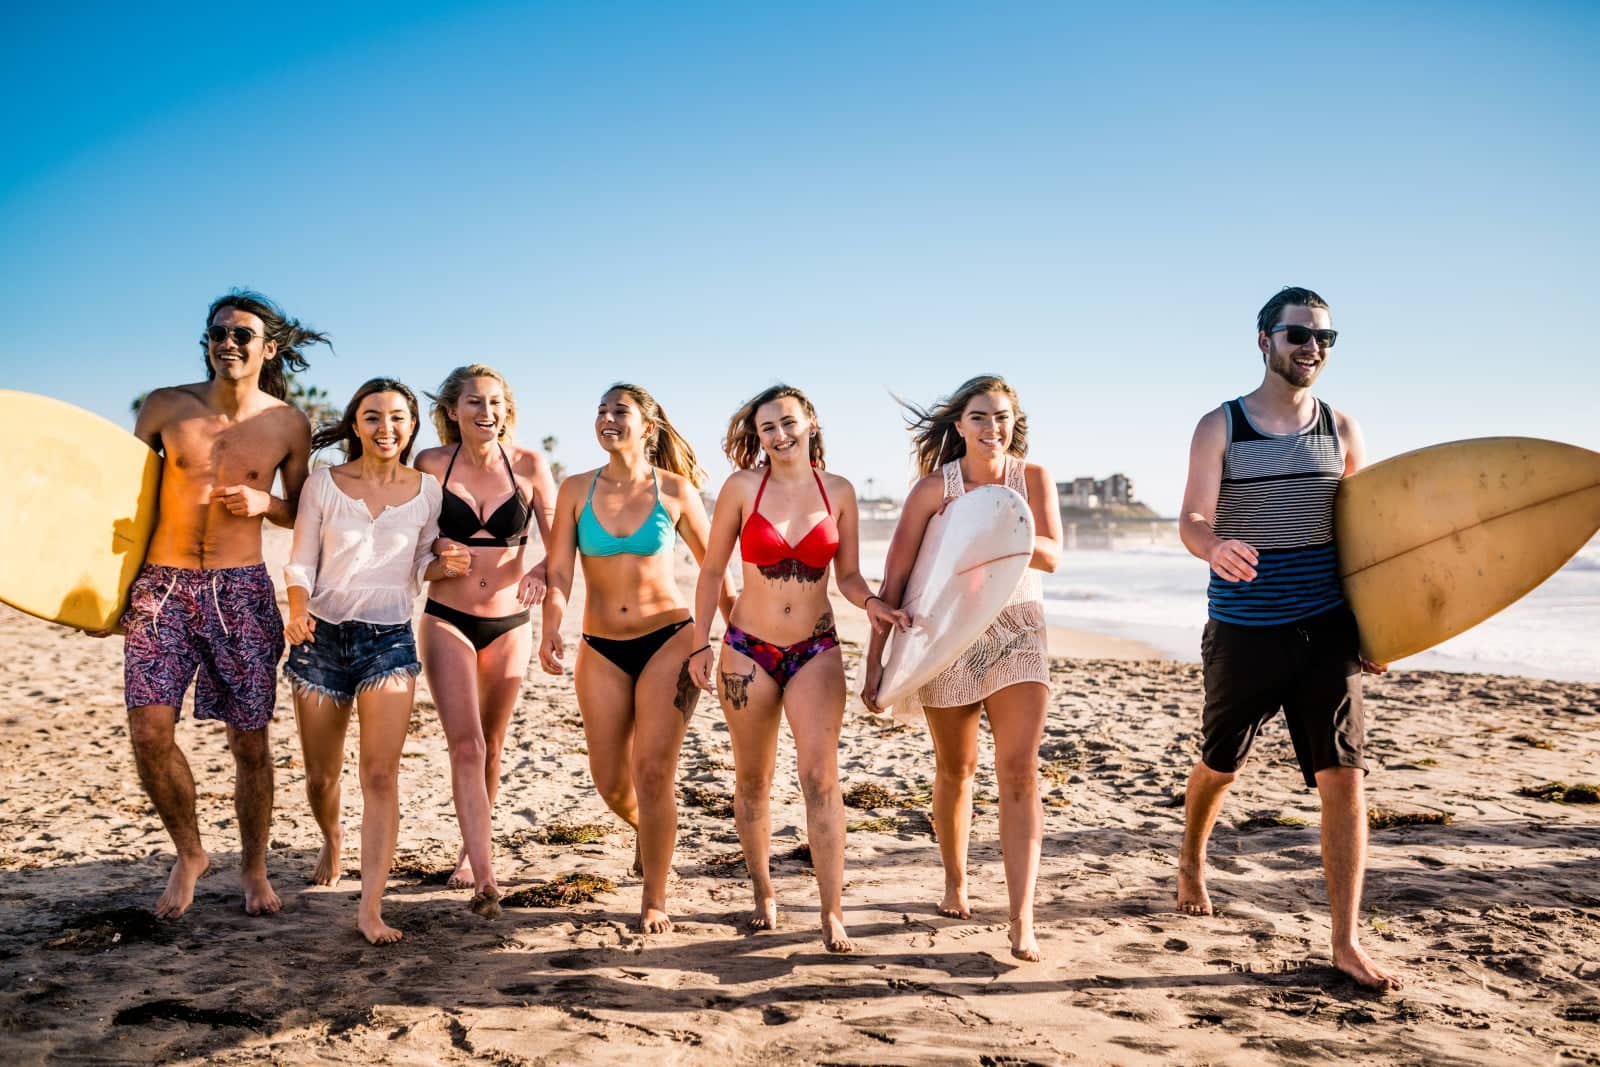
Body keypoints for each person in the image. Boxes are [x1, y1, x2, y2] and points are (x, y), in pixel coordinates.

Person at [1175, 286, 1401, 991]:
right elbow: (1189, 517)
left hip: (1327, 628)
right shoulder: (1222, 425)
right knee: (1221, 762)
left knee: (1344, 778)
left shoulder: (1343, 429)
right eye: (1299, 334)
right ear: (1264, 340)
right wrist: (1213, 547)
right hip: (1244, 628)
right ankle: (1190, 856)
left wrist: (1380, 627)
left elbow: (1366, 542)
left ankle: (1345, 939)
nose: (1313, 348)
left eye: (1325, 338)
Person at [114, 289, 328, 918]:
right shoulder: (164, 408)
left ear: (269, 346)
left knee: (250, 742)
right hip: (162, 587)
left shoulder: (287, 424)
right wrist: (110, 595)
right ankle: (190, 853)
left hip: (240, 590)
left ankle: (255, 869)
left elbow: (305, 515)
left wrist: (267, 505)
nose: (228, 343)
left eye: (242, 335)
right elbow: (128, 505)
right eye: (218, 333)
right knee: (149, 730)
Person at [688, 384, 906, 953]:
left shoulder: (838, 491)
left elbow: (851, 575)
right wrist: (699, 643)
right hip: (747, 649)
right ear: (757, 436)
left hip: (815, 649)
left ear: (810, 420)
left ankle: (832, 911)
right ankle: (764, 891)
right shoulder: (741, 488)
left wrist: (873, 603)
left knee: (821, 779)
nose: (780, 435)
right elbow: (712, 572)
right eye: (768, 428)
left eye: (788, 422)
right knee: (753, 779)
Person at [861, 375, 1062, 962]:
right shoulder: (933, 491)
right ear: (959, 425)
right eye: (979, 417)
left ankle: (1022, 917)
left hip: (1016, 630)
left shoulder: (1033, 479)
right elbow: (894, 580)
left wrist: (1001, 531)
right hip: (944, 632)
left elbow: (1051, 554)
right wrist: (876, 666)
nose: (991, 428)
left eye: (1001, 417)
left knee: (1020, 770)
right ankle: (955, 879)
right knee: (957, 769)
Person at [539, 383, 737, 933]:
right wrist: (551, 623)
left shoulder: (674, 491)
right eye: (600, 410)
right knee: (609, 779)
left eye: (618, 411)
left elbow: (713, 567)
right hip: (599, 646)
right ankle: (648, 833)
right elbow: (558, 570)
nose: (606, 418)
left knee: (653, 773)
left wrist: (726, 634)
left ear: (646, 426)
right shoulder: (576, 489)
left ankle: (655, 896)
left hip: (669, 639)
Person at [282, 378, 470, 944]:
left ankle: (370, 906)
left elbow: (418, 563)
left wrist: (445, 562)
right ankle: (333, 837)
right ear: (355, 424)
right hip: (319, 637)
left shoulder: (428, 490)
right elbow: (299, 563)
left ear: (411, 425)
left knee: (380, 775)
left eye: (396, 418)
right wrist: (295, 611)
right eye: (372, 417)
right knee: (321, 776)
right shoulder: (324, 484)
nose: (385, 428)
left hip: (388, 640)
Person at [414, 364, 556, 917]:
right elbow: (404, 542)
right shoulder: (429, 464)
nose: (486, 413)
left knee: (492, 746)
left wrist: (543, 574)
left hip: (510, 621)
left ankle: (470, 852)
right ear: (452, 411)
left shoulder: (528, 465)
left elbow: (560, 544)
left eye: (495, 403)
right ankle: (485, 872)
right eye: (474, 403)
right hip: (447, 616)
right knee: (466, 745)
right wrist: (431, 561)